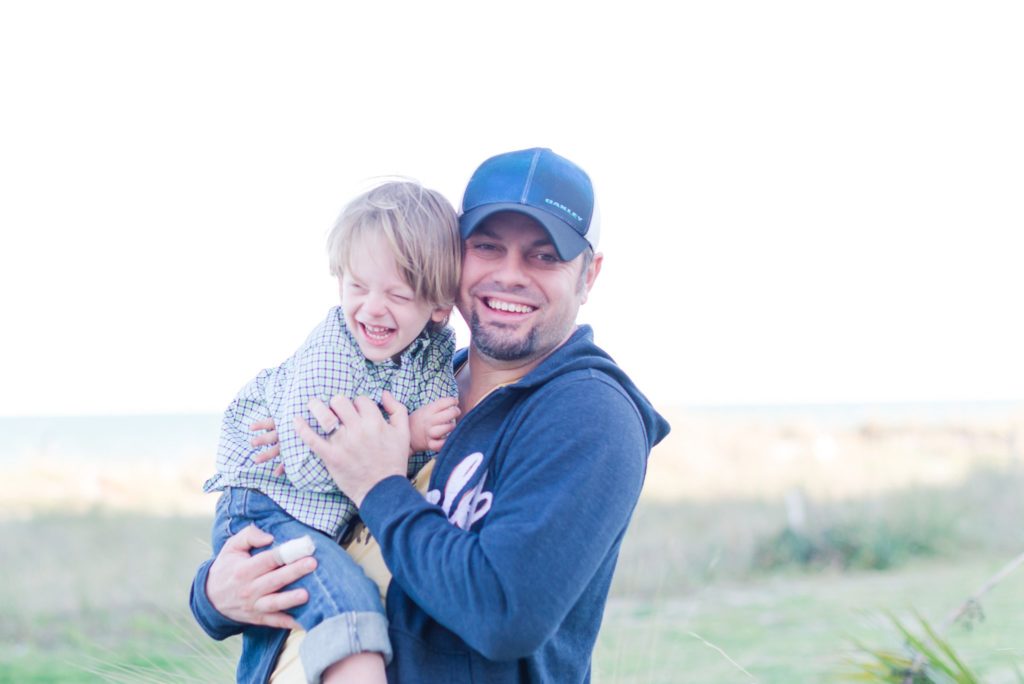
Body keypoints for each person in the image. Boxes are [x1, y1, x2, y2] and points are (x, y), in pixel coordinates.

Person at [191, 148, 671, 683]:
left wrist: (377, 484)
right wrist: (215, 594)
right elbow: (314, 536)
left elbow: (505, 613)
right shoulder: (411, 380)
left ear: (589, 275)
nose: (510, 275)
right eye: (487, 247)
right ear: (453, 258)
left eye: (544, 256)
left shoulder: (590, 415)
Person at [199, 180, 463, 683]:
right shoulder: (333, 349)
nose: (371, 307)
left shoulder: (432, 358)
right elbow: (304, 461)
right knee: (346, 609)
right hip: (267, 505)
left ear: (438, 306)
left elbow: (413, 452)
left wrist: (407, 438)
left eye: (397, 293)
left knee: (311, 610)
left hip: (317, 519)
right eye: (357, 286)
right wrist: (405, 435)